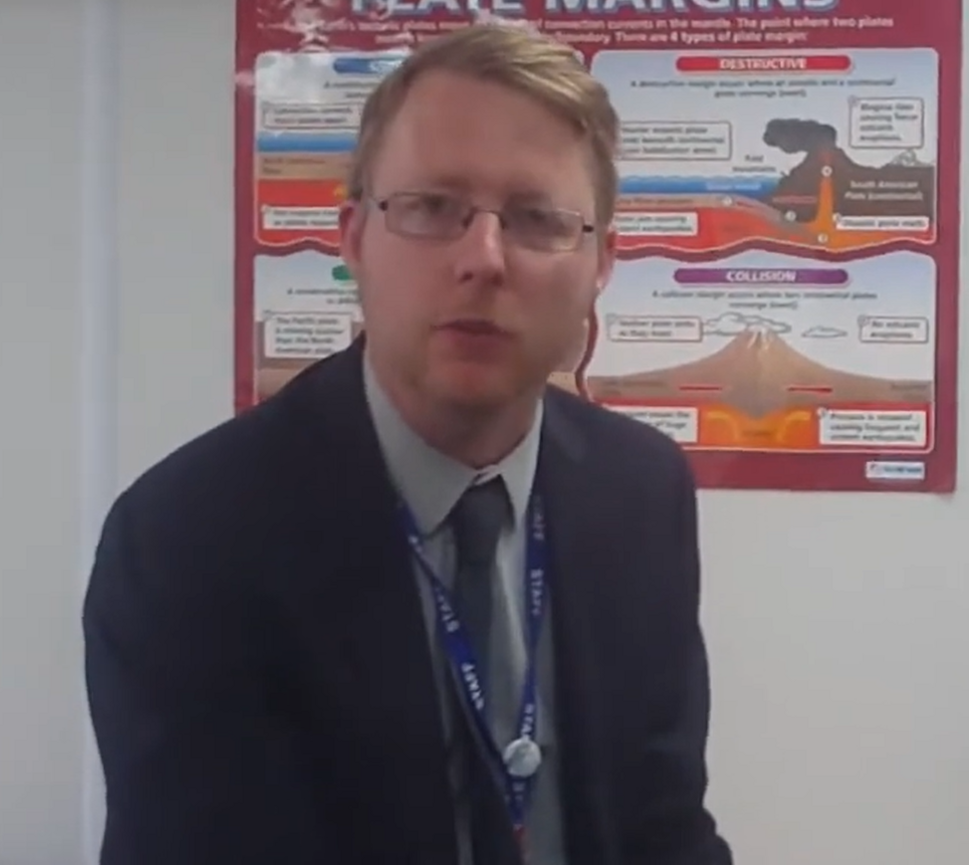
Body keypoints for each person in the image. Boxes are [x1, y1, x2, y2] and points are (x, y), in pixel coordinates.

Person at [82, 20, 734, 865]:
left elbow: (665, 824)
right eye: (432, 208)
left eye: (536, 217)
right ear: (354, 240)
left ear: (602, 263)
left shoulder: (640, 494)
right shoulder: (188, 538)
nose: (484, 257)